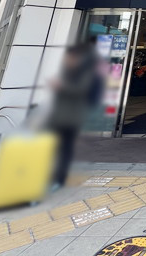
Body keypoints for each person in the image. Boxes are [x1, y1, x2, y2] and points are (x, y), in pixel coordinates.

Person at [46, 43, 99, 189]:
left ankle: (59, 178)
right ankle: (50, 175)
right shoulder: (65, 72)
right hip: (58, 116)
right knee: (53, 146)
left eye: (71, 57)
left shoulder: (85, 73)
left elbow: (81, 90)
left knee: (64, 148)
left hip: (72, 118)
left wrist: (61, 87)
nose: (68, 60)